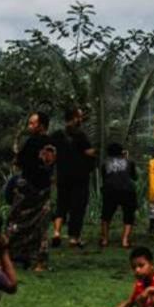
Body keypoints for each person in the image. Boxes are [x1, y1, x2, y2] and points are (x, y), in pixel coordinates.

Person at [7, 111, 56, 271]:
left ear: (41, 125)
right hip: (44, 187)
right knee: (41, 226)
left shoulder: (31, 142)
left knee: (16, 222)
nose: (30, 126)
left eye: (32, 123)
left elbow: (20, 162)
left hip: (29, 188)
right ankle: (39, 262)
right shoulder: (52, 143)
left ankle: (11, 257)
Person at [52, 106, 96, 249]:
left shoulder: (57, 135)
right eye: (80, 116)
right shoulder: (80, 135)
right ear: (74, 118)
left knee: (61, 204)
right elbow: (89, 152)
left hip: (62, 175)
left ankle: (57, 232)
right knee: (78, 207)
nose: (81, 119)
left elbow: (50, 152)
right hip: (79, 176)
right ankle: (73, 238)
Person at [99, 142, 138, 249]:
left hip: (110, 190)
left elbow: (104, 178)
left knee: (106, 215)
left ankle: (105, 239)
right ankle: (125, 240)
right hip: (127, 191)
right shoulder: (129, 161)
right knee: (129, 215)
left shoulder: (105, 163)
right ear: (122, 151)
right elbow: (134, 177)